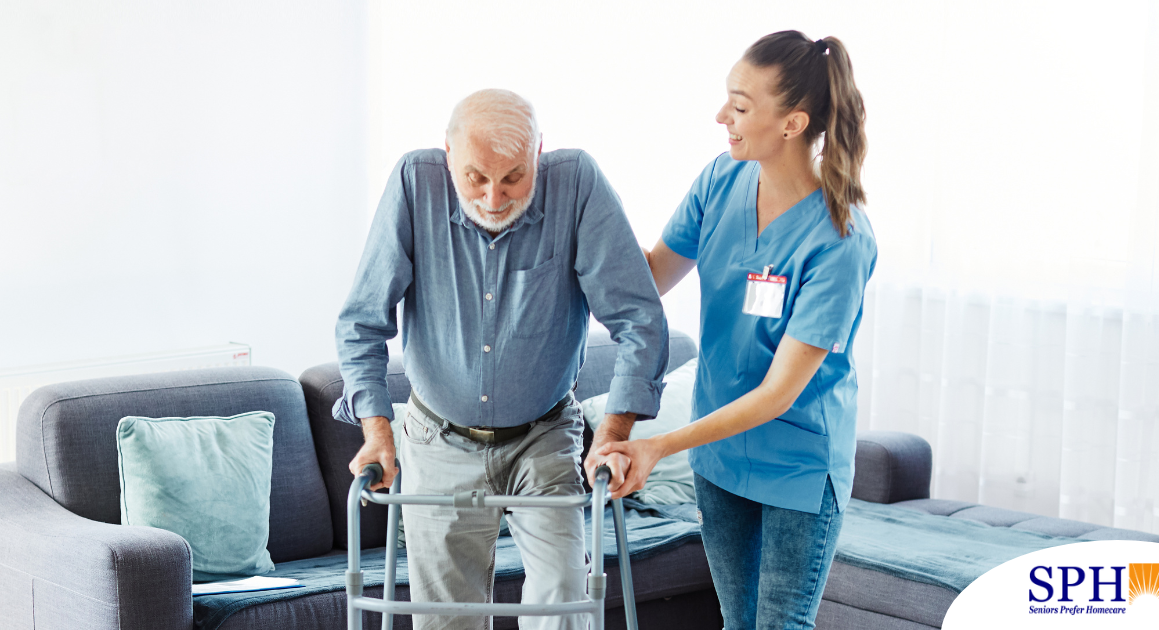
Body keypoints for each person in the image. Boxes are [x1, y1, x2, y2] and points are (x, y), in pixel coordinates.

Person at [333, 88, 668, 630]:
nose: (493, 197)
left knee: (564, 598)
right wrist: (376, 430)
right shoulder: (414, 183)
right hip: (436, 437)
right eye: (476, 178)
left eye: (513, 177)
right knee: (446, 619)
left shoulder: (576, 183)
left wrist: (613, 433)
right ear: (448, 156)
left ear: (540, 153)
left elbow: (639, 317)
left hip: (543, 433)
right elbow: (361, 321)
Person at [596, 31, 876, 630]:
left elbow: (779, 394)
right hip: (719, 458)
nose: (722, 116)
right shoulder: (720, 181)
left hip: (799, 467)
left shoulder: (840, 239)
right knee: (737, 624)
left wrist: (657, 445)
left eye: (741, 106)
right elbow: (648, 279)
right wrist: (577, 218)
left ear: (792, 123)